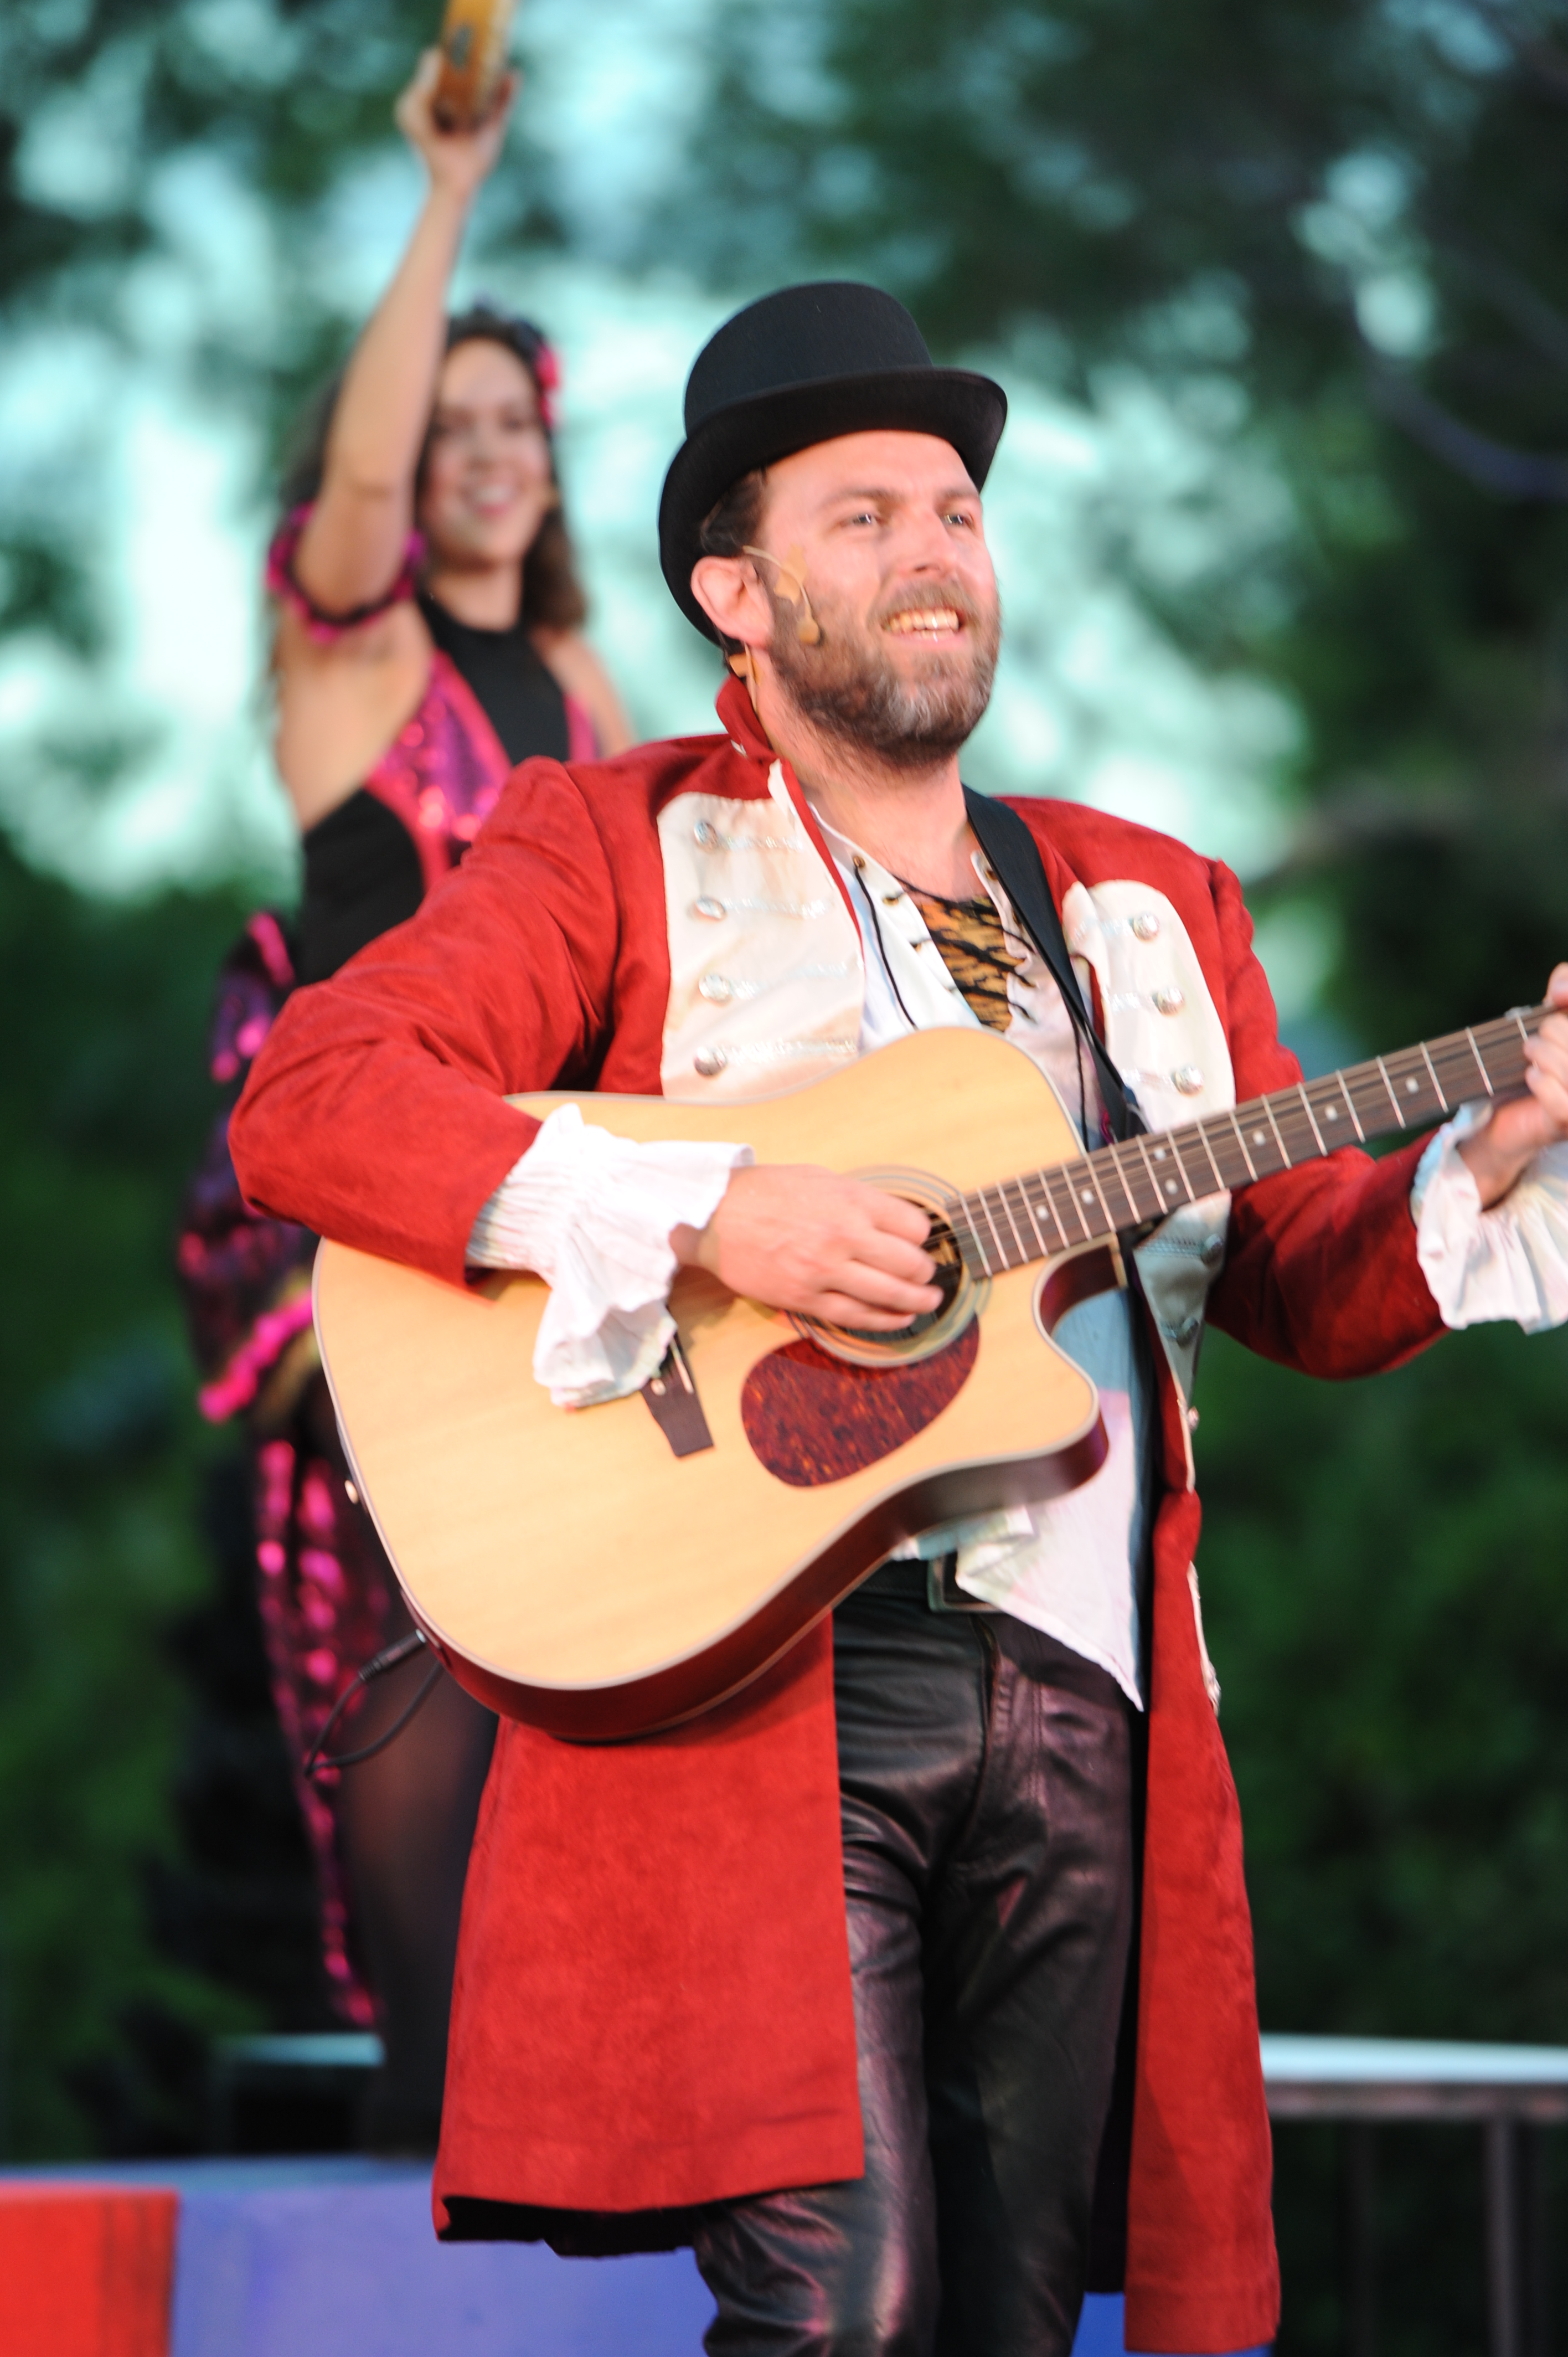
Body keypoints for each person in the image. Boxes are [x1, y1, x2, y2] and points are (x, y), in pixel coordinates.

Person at [227, 282, 1568, 2350]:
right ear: (735, 593)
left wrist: (1502, 1140)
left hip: (1090, 1685)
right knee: (840, 2321)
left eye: (955, 511)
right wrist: (722, 1215)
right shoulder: (610, 843)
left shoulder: (1148, 903)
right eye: (861, 519)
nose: (933, 553)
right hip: (773, 1690)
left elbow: (1296, 1271)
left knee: (1009, 2327)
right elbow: (317, 1099)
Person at [177, 50, 630, 2150]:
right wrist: (447, 197)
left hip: (560, 1230)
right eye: (446, 427)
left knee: (585, 1668)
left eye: (512, 422)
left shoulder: (589, 700)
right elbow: (353, 508)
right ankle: (427, 2144)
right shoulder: (354, 661)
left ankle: (577, 2132)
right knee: (412, 1658)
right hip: (371, 1220)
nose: (480, 455)